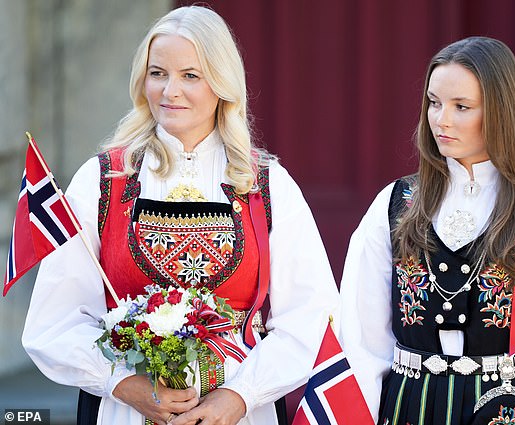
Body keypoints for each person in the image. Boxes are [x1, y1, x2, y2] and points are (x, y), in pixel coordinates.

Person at [22, 6, 339, 425]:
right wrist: (122, 383)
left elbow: (310, 314)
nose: (170, 90)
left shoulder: (266, 184)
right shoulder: (103, 180)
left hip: (242, 411)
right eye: (158, 74)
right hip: (125, 412)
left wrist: (240, 396)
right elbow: (54, 320)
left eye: (191, 75)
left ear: (222, 83)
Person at [340, 36, 515, 424]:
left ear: (500, 111)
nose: (441, 120)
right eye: (434, 103)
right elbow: (360, 343)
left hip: (511, 411)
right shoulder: (395, 204)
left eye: (462, 107)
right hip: (410, 411)